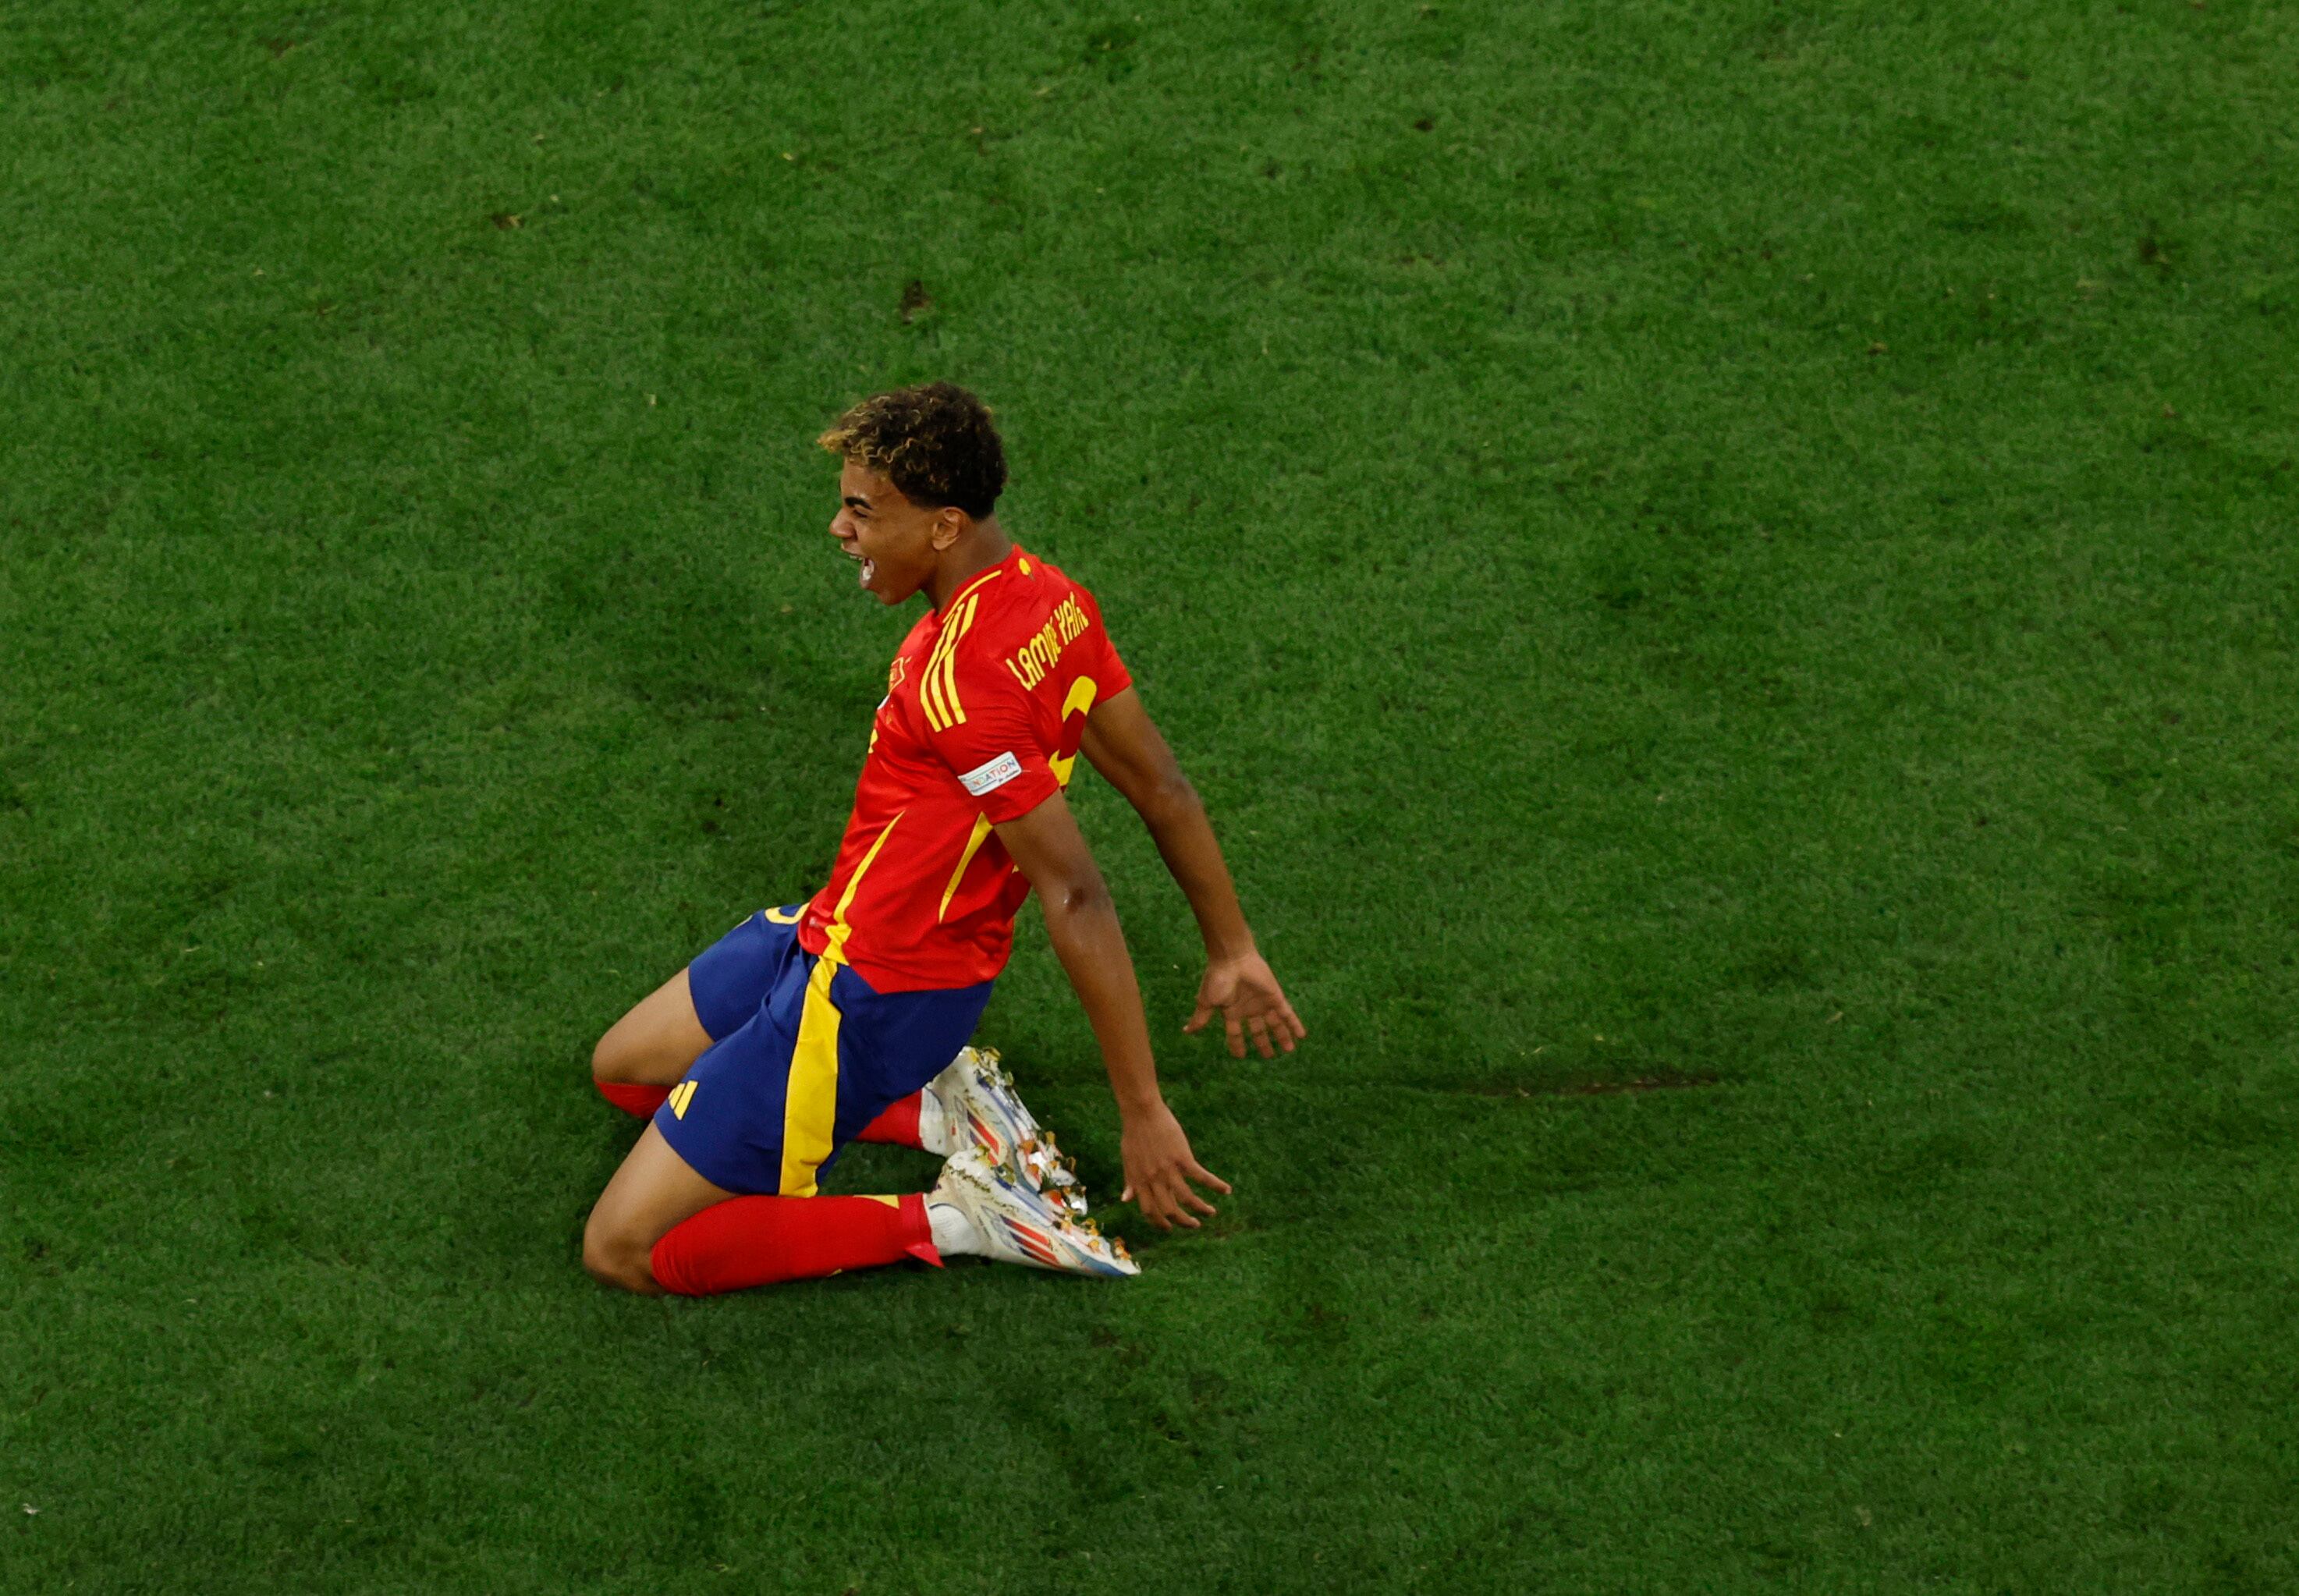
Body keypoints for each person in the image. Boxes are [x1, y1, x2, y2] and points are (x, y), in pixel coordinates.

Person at [580, 382, 1304, 1296]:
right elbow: (1162, 786)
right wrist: (1230, 946)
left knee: (624, 1250)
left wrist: (1143, 1109)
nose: (839, 531)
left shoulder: (957, 682)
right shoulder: (1054, 602)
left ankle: (970, 1214)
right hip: (837, 932)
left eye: (861, 511)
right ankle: (943, 1112)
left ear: (942, 526)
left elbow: (1075, 889)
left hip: (871, 993)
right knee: (625, 1075)